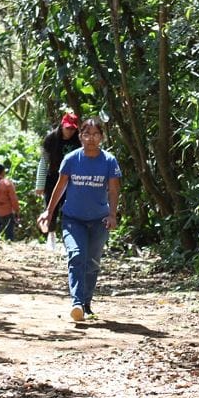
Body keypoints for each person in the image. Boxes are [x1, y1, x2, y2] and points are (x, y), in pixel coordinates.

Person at [38, 117, 121, 321]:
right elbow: (60, 186)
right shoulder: (71, 159)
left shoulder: (109, 161)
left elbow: (113, 190)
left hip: (99, 220)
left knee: (92, 262)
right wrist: (49, 211)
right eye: (86, 134)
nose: (91, 138)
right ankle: (77, 303)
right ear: (80, 136)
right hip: (73, 219)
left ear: (101, 137)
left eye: (95, 134)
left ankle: (86, 303)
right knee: (76, 256)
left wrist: (112, 214)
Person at [35, 112, 81, 245]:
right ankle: (51, 235)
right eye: (68, 128)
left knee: (68, 209)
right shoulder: (51, 139)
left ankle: (68, 237)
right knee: (51, 207)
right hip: (53, 178)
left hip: (72, 180)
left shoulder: (79, 140)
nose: (70, 131)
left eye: (73, 129)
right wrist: (40, 185)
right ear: (62, 126)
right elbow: (44, 162)